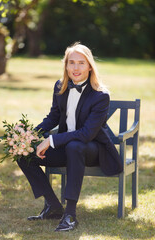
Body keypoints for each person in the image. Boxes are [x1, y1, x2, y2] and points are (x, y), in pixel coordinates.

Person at [17, 42, 123, 232]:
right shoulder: (61, 86)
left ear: (90, 65)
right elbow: (53, 117)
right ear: (65, 65)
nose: (76, 68)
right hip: (66, 146)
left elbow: (87, 134)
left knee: (75, 146)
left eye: (81, 63)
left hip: (93, 148)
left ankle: (70, 215)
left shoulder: (100, 95)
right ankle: (53, 206)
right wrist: (28, 135)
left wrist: (51, 140)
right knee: (24, 154)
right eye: (71, 62)